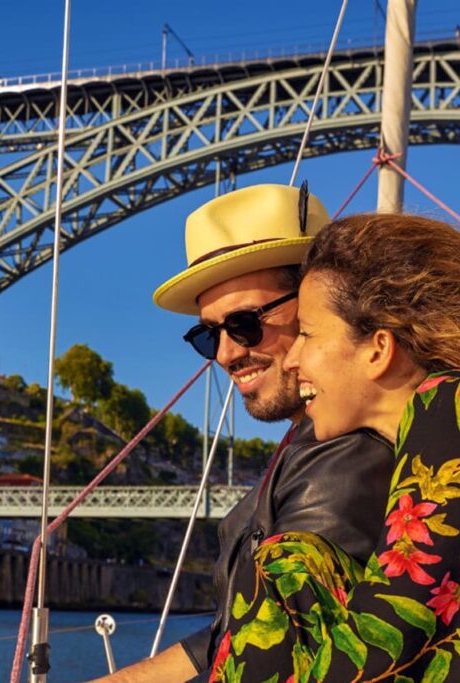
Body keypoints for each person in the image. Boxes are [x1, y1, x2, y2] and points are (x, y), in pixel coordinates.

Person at [211, 213, 460, 681]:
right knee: (295, 565)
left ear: (378, 348)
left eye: (310, 336)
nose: (294, 360)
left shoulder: (459, 407)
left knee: (284, 569)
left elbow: (387, 649)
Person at [92, 184, 394, 682]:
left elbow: (270, 655)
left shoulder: (349, 456)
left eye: (246, 324)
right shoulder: (307, 442)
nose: (227, 354)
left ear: (325, 305)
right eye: (209, 335)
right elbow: (236, 633)